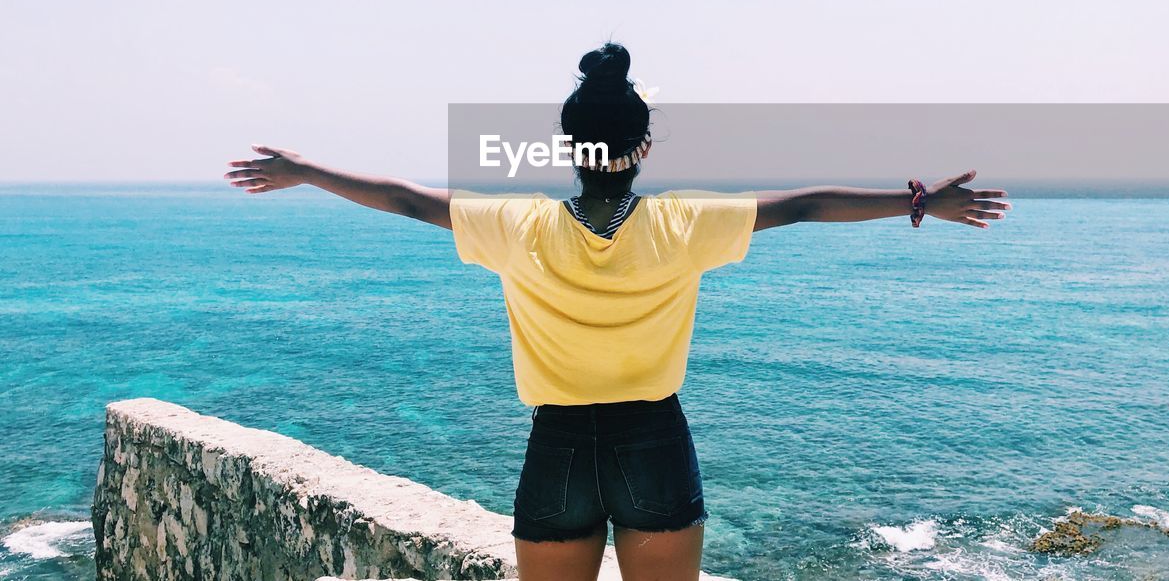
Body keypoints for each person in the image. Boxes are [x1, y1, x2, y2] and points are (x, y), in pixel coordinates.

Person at [224, 42, 1010, 581]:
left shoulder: (519, 227)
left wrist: (301, 168)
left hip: (558, 441)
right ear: (641, 148)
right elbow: (803, 205)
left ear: (571, 146)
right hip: (653, 440)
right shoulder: (682, 225)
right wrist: (921, 202)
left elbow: (402, 197)